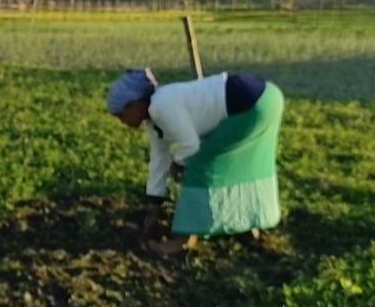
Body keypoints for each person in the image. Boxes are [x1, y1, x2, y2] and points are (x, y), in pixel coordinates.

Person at [106, 68, 284, 255]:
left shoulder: (160, 106)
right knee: (237, 167)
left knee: (199, 167)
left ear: (135, 103)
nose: (122, 122)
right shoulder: (155, 115)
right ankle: (246, 225)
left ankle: (186, 238)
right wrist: (155, 204)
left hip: (251, 106)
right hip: (268, 98)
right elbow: (159, 158)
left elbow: (190, 146)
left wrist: (178, 165)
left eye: (121, 115)